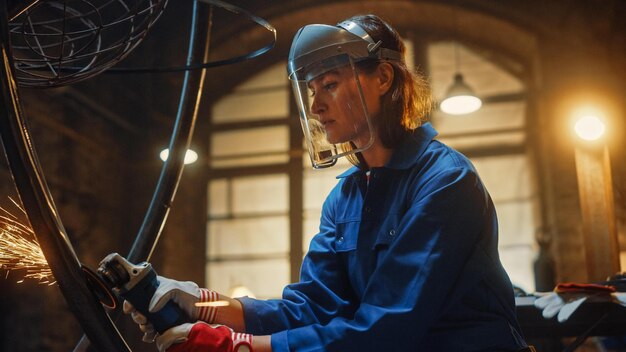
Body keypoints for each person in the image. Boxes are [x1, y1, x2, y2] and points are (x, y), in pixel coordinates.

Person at [124, 14, 529, 352]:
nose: (316, 107)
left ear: (384, 78)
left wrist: (239, 346)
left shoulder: (445, 182)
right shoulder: (346, 196)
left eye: (330, 85)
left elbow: (387, 327)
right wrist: (204, 304)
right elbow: (312, 308)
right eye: (312, 90)